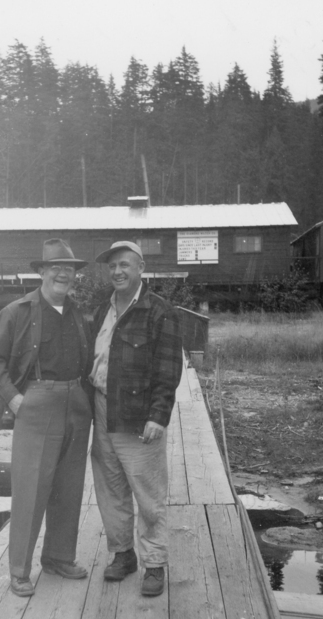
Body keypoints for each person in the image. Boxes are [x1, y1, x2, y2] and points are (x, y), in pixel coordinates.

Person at [0, 239, 92, 597]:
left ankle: (59, 557)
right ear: (42, 272)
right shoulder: (17, 311)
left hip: (76, 400)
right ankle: (19, 571)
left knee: (69, 485)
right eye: (56, 267)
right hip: (37, 402)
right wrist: (14, 399)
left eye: (70, 268)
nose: (64, 273)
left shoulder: (78, 311)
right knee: (31, 487)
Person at [90, 241, 183, 597]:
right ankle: (123, 554)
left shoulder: (160, 311)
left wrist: (158, 416)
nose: (117, 272)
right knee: (110, 487)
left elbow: (168, 369)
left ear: (141, 267)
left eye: (124, 265)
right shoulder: (102, 309)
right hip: (102, 409)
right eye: (112, 266)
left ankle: (155, 564)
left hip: (137, 415)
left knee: (148, 493)